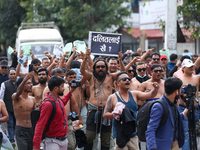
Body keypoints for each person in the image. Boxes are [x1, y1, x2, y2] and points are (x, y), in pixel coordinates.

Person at [80, 48, 124, 150]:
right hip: (93, 110)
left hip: (106, 112)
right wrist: (86, 57)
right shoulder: (91, 77)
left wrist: (120, 60)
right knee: (90, 136)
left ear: (106, 68)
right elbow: (82, 70)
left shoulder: (111, 77)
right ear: (94, 68)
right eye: (98, 67)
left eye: (103, 67)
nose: (100, 68)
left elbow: (122, 72)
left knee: (106, 138)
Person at [103, 71, 159, 150]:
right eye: (124, 79)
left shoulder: (134, 94)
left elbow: (150, 95)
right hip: (120, 133)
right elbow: (105, 114)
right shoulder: (112, 97)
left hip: (133, 133)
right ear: (118, 83)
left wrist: (156, 89)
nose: (127, 81)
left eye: (128, 79)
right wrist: (115, 114)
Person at [33, 75, 83, 150]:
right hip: (52, 142)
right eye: (62, 86)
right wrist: (36, 146)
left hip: (63, 140)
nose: (64, 89)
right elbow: (40, 125)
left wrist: (70, 92)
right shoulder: (48, 104)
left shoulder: (57, 99)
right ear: (56, 88)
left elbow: (62, 102)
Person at [146, 77, 187, 150]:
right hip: (163, 146)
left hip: (174, 144)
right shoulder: (159, 106)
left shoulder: (173, 103)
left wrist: (184, 114)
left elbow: (171, 119)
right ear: (176, 91)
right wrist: (152, 148)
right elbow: (151, 129)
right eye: (181, 89)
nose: (182, 91)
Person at [178, 59, 200, 150]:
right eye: (189, 66)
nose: (191, 68)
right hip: (184, 108)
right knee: (186, 133)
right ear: (183, 68)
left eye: (192, 66)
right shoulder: (179, 80)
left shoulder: (197, 77)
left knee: (193, 133)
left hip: (196, 109)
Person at [12, 72, 36, 150]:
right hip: (21, 130)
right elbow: (18, 92)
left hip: (31, 129)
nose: (31, 85)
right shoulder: (16, 97)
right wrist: (26, 78)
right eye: (28, 83)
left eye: (31, 83)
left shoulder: (32, 99)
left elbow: (35, 115)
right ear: (22, 85)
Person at [0, 68, 17, 146]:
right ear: (8, 75)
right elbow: (1, 97)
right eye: (11, 74)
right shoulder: (4, 84)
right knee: (10, 124)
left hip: (18, 109)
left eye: (14, 74)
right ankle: (12, 140)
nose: (13, 76)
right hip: (8, 108)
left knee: (16, 124)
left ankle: (16, 139)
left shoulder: (19, 84)